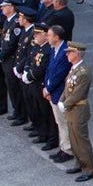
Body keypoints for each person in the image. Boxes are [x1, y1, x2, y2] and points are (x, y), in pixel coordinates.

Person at [61, 42, 93, 182]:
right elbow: (68, 87)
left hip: (78, 109)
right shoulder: (74, 69)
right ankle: (79, 163)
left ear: (77, 54)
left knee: (81, 141)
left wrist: (65, 103)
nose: (67, 54)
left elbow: (78, 93)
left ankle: (89, 169)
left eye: (70, 52)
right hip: (71, 109)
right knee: (74, 139)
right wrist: (62, 99)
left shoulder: (83, 72)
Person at [42, 25, 73, 164]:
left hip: (59, 92)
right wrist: (46, 86)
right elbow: (49, 70)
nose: (47, 37)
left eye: (49, 35)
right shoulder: (54, 50)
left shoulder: (64, 52)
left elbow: (60, 74)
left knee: (63, 122)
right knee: (59, 122)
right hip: (52, 90)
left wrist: (49, 89)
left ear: (56, 37)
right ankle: (62, 147)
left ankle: (67, 150)